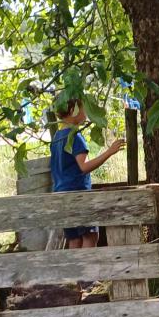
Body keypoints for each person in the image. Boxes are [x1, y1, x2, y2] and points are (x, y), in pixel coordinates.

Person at [50, 98, 125, 249]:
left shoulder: (57, 137)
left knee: (74, 239)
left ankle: (75, 272)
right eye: (84, 109)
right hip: (78, 195)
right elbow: (83, 167)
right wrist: (109, 152)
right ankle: (90, 272)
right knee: (90, 235)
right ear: (73, 110)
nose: (86, 113)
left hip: (61, 195)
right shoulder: (75, 137)